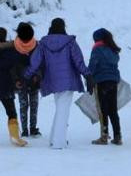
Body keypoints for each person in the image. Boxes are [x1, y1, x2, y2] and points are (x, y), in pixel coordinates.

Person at [24, 18, 92, 149]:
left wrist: (26, 76)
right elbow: (79, 62)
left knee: (60, 109)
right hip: (68, 81)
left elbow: (35, 62)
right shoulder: (70, 42)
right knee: (63, 111)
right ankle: (59, 142)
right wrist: (87, 75)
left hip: (53, 81)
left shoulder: (43, 44)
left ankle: (53, 139)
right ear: (63, 27)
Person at [88, 28, 122, 146]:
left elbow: (92, 65)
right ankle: (118, 136)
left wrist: (89, 79)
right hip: (113, 82)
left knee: (103, 110)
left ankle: (103, 136)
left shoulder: (97, 49)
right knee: (113, 109)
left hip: (101, 82)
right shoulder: (113, 50)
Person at [12, 22, 40, 138]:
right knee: (26, 106)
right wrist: (15, 80)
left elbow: (40, 62)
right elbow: (12, 65)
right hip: (21, 81)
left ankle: (32, 129)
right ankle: (25, 130)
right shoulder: (14, 47)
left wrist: (37, 76)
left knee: (31, 106)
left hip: (32, 81)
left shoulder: (36, 45)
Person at [0, 28, 26, 147]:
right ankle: (15, 137)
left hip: (6, 85)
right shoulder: (10, 51)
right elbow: (14, 67)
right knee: (11, 112)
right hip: (5, 86)